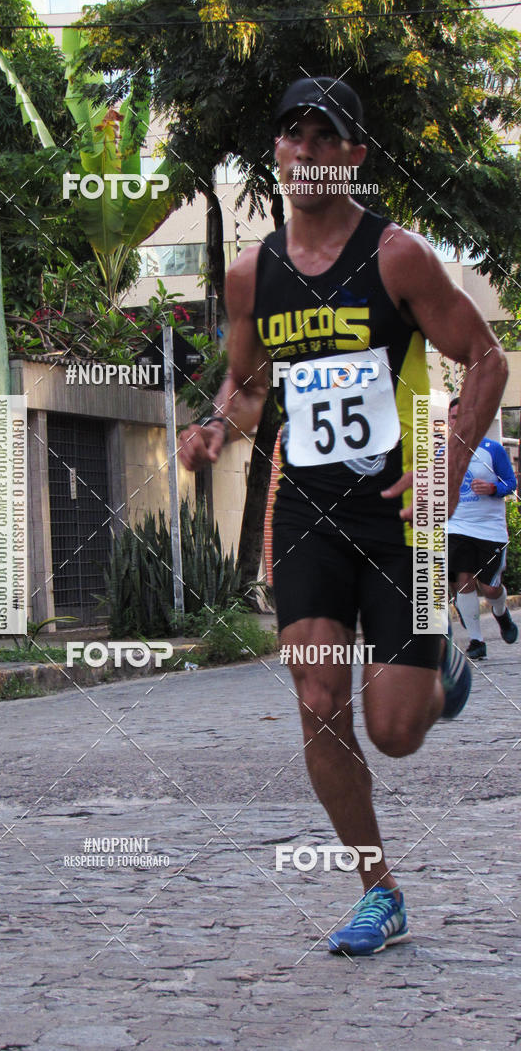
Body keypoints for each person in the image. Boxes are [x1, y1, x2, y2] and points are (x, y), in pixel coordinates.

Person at [178, 76, 508, 956]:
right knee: (319, 697)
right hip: (309, 516)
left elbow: (485, 356)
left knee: (394, 731)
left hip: (407, 518)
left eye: (328, 137)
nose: (308, 151)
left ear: (354, 156)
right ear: (277, 154)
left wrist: (448, 460)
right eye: (293, 134)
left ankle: (442, 684)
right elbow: (247, 390)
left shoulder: (397, 257)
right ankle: (378, 888)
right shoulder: (253, 274)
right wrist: (214, 427)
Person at [448, 397, 518, 659]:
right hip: (456, 526)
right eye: (452, 417)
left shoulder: (493, 450)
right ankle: (476, 641)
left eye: (461, 416)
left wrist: (492, 489)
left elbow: (510, 483)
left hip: (490, 530)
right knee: (463, 580)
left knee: (489, 588)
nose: (456, 422)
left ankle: (501, 615)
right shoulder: (443, 452)